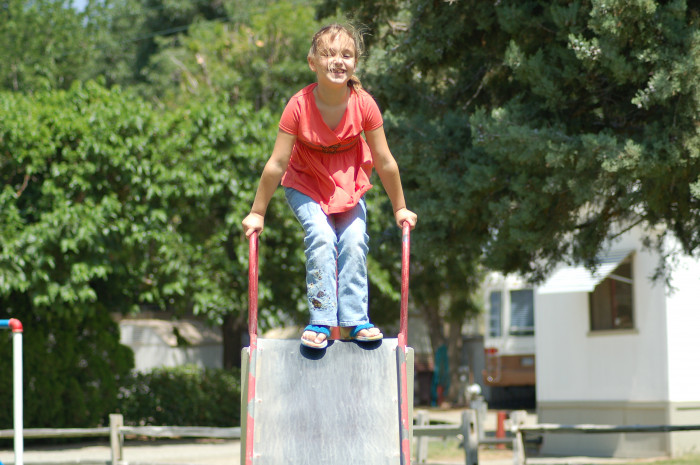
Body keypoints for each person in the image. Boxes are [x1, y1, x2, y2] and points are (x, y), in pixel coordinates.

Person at [242, 23, 417, 349]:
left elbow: (384, 159)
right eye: (329, 54)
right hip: (305, 182)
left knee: (352, 240)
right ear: (313, 62)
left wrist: (401, 207)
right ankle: (322, 320)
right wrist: (257, 213)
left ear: (355, 63)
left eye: (346, 55)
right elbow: (277, 164)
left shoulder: (363, 104)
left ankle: (353, 321)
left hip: (347, 183)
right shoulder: (299, 106)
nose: (338, 61)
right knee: (322, 236)